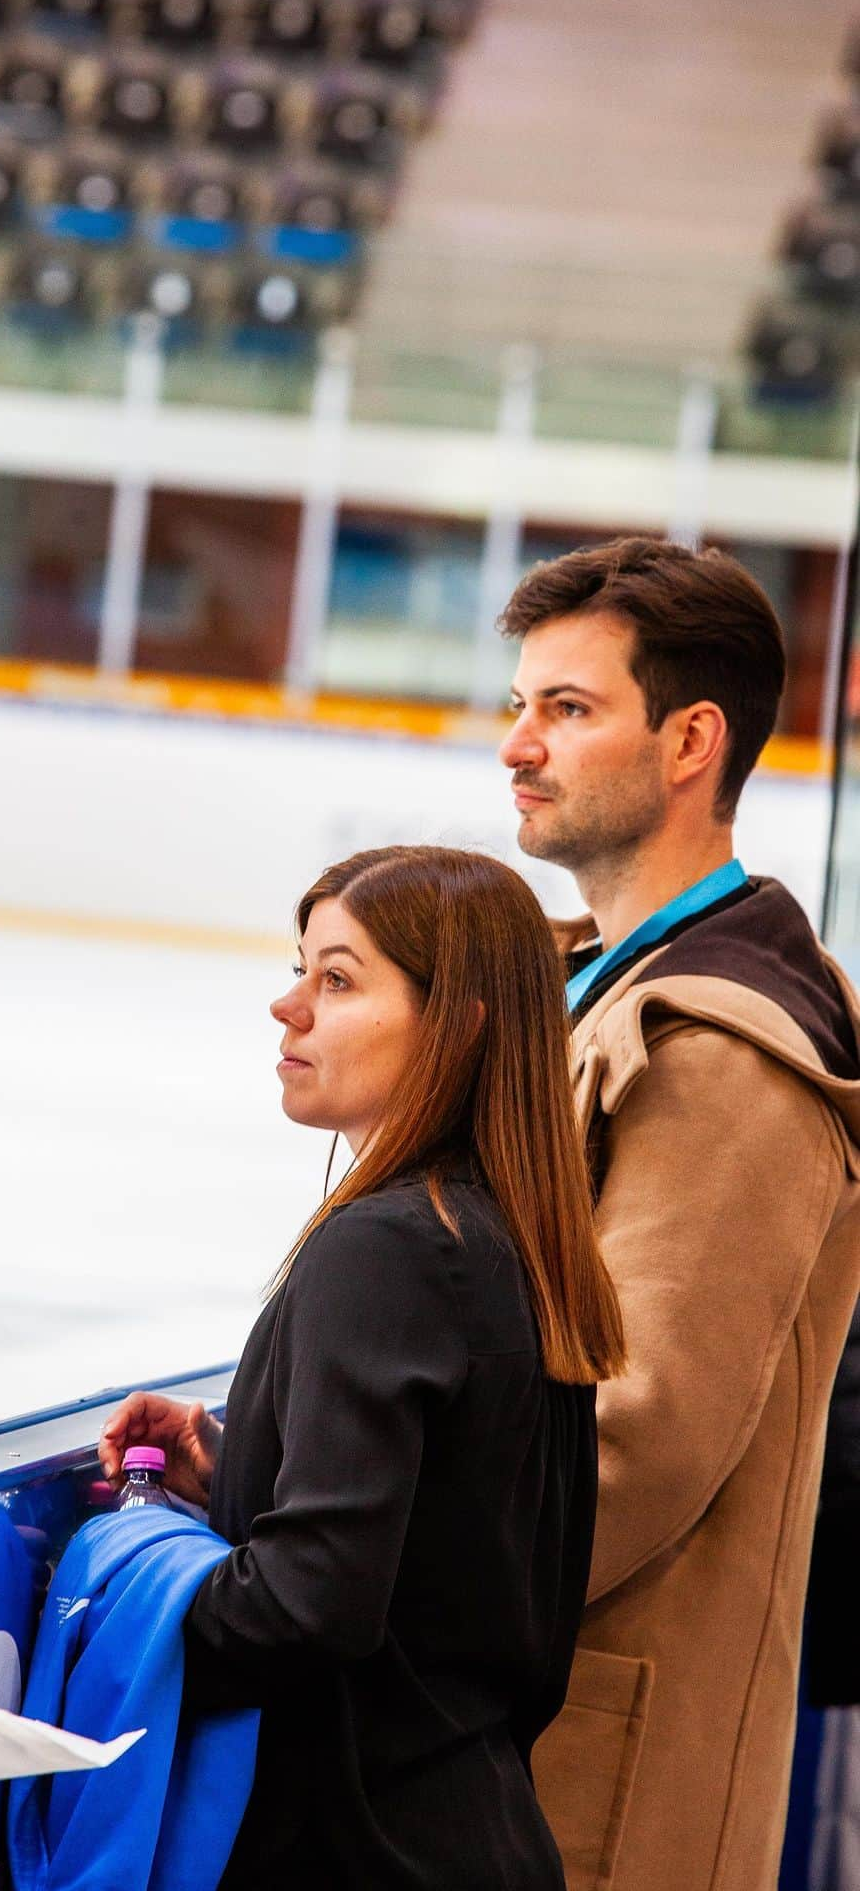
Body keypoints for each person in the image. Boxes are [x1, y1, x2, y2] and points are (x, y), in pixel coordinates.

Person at [100, 845, 625, 1890]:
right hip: (470, 1836)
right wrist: (241, 1466)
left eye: (337, 978)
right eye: (301, 968)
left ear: (459, 1024)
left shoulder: (389, 1247)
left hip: (358, 1853)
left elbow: (309, 1608)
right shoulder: (501, 1237)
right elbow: (439, 1543)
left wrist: (118, 1595)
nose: (287, 1006)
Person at [498, 535, 860, 1891]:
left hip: (596, 1783)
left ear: (691, 738)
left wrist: (351, 1562)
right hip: (523, 1745)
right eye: (520, 703)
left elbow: (629, 1449)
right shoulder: (606, 981)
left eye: (568, 708)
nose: (518, 744)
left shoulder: (722, 1052)